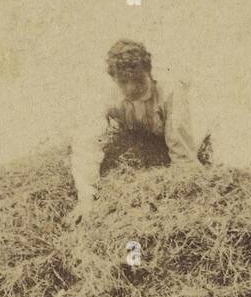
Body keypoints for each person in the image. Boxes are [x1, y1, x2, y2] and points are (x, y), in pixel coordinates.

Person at [69, 39, 207, 219]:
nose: (131, 88)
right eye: (123, 82)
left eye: (137, 80)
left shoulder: (170, 90)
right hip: (142, 141)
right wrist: (86, 198)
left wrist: (180, 197)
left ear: (148, 72)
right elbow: (87, 146)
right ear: (114, 79)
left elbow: (183, 154)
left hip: (185, 135)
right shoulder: (104, 93)